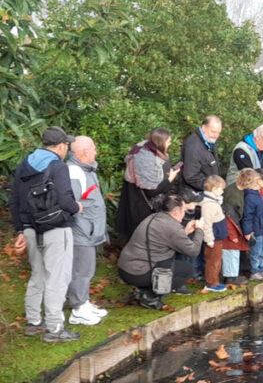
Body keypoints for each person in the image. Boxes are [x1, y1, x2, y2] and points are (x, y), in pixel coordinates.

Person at [9, 126, 83, 342]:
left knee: (38, 275)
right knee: (57, 278)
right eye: (66, 145)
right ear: (61, 146)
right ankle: (55, 328)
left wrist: (21, 229)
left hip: (31, 229)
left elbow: (14, 200)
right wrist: (76, 207)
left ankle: (33, 322)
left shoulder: (25, 165)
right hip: (56, 228)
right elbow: (65, 200)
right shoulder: (58, 167)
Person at [118, 195, 202, 309]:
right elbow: (193, 251)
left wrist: (185, 231)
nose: (184, 214)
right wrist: (200, 230)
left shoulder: (154, 217)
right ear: (176, 212)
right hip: (138, 272)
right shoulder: (172, 228)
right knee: (186, 270)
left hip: (126, 268)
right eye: (184, 210)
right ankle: (150, 296)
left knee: (169, 262)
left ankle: (144, 289)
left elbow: (167, 238)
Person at [66, 136, 109, 326]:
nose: (96, 152)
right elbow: (73, 203)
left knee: (87, 269)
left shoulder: (87, 169)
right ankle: (78, 308)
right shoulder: (74, 171)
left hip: (88, 229)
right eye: (93, 149)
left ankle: (83, 302)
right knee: (81, 270)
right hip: (81, 229)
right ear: (83, 153)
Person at [115, 128, 180, 239]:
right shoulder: (147, 158)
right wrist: (170, 180)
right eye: (168, 141)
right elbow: (151, 190)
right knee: (142, 240)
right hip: (140, 207)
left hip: (138, 204)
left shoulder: (147, 149)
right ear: (161, 142)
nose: (170, 143)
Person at [242, 169, 263, 281]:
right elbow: (247, 216)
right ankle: (255, 271)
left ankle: (262, 268)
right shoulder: (251, 196)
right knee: (255, 251)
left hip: (262, 227)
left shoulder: (261, 194)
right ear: (258, 181)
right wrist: (247, 231)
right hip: (256, 229)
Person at [221, 169, 250, 286]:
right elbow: (229, 217)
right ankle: (230, 277)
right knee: (230, 252)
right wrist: (232, 234)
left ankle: (234, 274)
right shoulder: (233, 195)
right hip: (231, 227)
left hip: (235, 225)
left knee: (234, 253)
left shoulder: (238, 190)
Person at [199, 175, 228, 291]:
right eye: (221, 189)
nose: (222, 191)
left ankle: (214, 280)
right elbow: (207, 223)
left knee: (216, 259)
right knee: (213, 260)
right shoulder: (209, 205)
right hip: (213, 238)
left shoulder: (214, 201)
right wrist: (209, 239)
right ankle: (212, 283)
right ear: (214, 189)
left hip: (217, 236)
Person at [180, 115, 222, 194]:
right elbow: (191, 176)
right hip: (195, 194)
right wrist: (212, 187)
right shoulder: (194, 146)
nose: (216, 135)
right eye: (213, 131)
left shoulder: (209, 140)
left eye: (218, 132)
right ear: (204, 128)